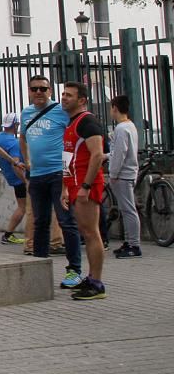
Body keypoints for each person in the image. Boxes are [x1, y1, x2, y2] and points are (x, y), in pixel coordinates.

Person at [19, 75, 84, 289]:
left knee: (66, 221)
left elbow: (76, 131)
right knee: (40, 222)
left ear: (50, 91)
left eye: (43, 89)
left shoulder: (60, 111)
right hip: (37, 175)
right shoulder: (26, 113)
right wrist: (26, 159)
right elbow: (23, 137)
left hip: (58, 173)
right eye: (34, 89)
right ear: (29, 91)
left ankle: (74, 270)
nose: (38, 92)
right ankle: (39, 268)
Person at [60, 82, 108, 300]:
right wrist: (65, 188)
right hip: (74, 184)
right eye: (63, 94)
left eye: (69, 95)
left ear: (82, 100)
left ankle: (96, 283)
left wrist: (85, 187)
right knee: (86, 232)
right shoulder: (72, 123)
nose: (64, 98)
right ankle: (91, 277)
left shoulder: (87, 122)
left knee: (91, 233)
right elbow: (68, 159)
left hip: (85, 185)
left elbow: (97, 155)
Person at [108, 95, 142, 259]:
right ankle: (129, 242)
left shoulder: (121, 129)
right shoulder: (130, 126)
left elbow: (120, 153)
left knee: (128, 210)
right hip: (128, 172)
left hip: (123, 174)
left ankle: (134, 244)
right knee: (127, 209)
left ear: (115, 108)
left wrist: (113, 173)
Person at [0, 114, 27, 244]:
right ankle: (8, 235)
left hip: (11, 178)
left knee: (23, 207)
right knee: (24, 208)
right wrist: (26, 181)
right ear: (16, 125)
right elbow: (16, 164)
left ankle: (8, 235)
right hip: (19, 179)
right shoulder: (14, 143)